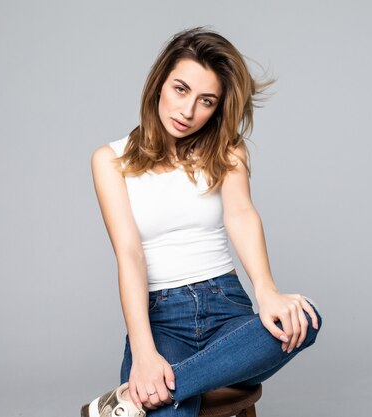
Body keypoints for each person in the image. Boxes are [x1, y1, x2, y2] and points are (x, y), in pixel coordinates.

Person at [83, 26, 322, 417]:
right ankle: (160, 387)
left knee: (305, 318)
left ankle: (135, 398)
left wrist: (266, 291)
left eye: (206, 101)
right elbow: (129, 255)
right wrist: (144, 353)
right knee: (169, 413)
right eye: (181, 90)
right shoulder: (110, 160)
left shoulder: (227, 150)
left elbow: (241, 215)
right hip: (161, 316)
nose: (188, 111)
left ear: (217, 107)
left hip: (226, 305)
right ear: (159, 83)